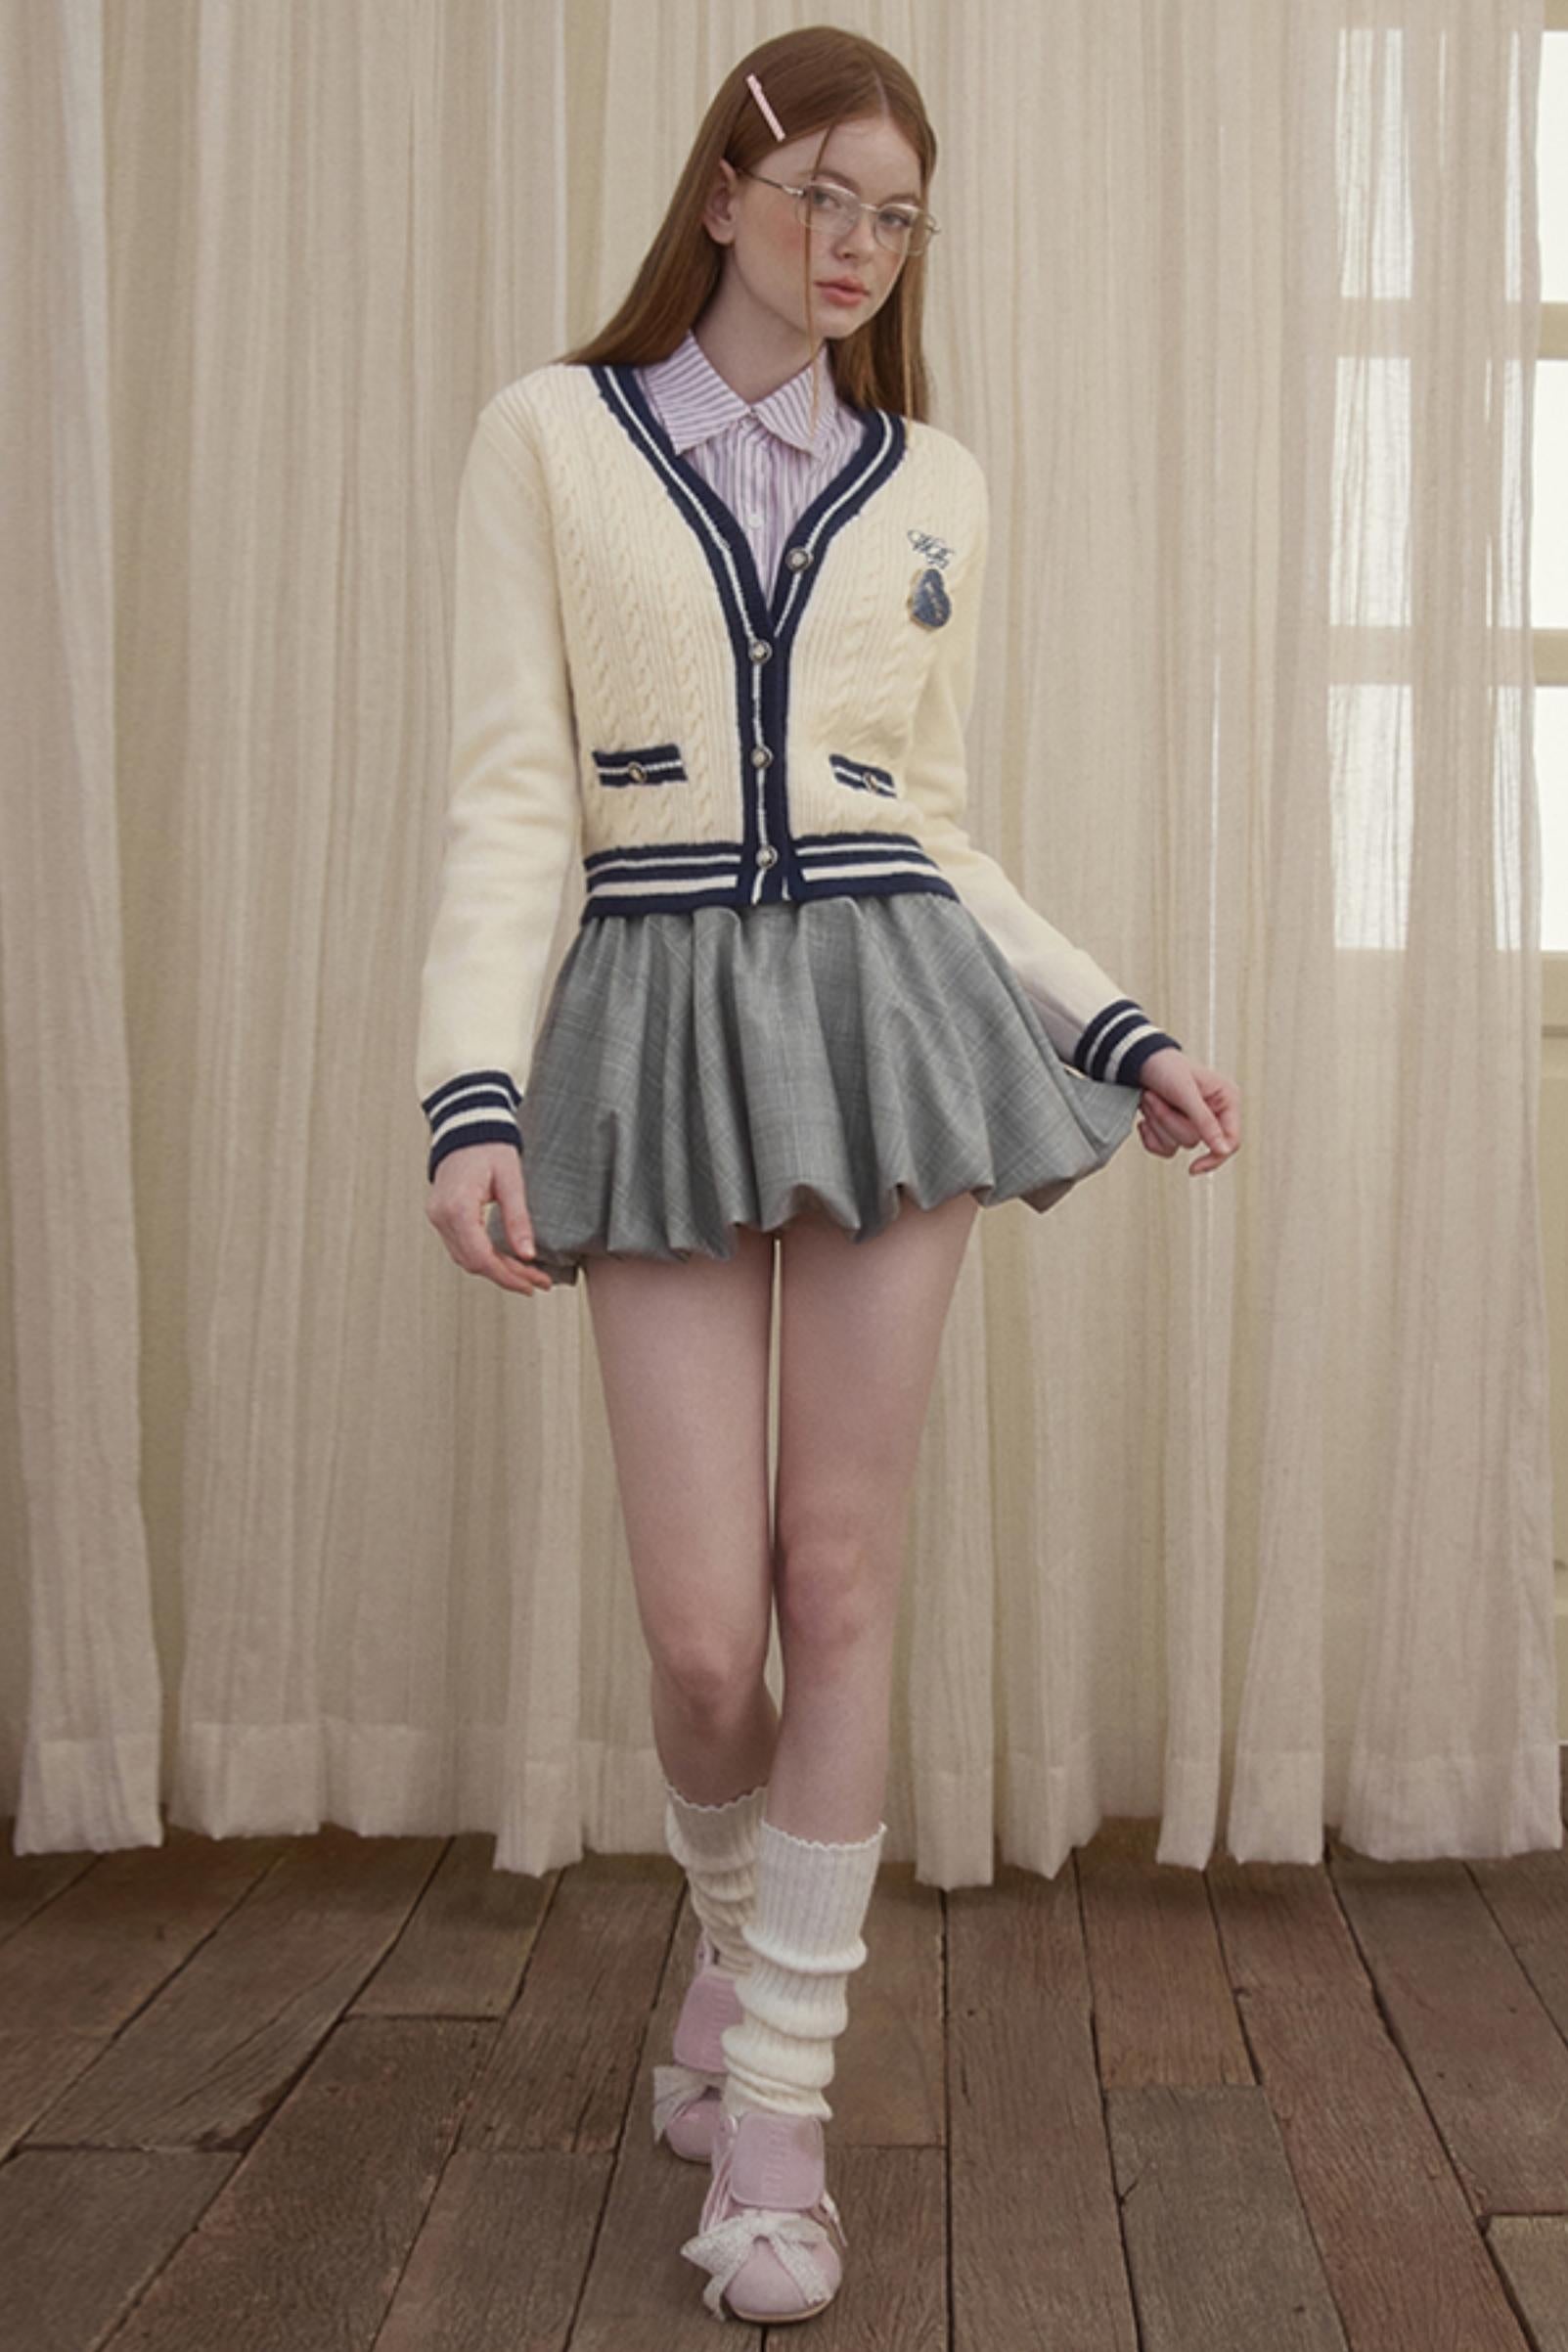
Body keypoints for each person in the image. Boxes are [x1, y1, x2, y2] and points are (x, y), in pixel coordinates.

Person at [416, 23, 1240, 2328]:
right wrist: (469, 1088)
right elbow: (513, 794)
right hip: (655, 1022)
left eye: (896, 215)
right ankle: (728, 1961)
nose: (859, 246)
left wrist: (1115, 1022)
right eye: (822, 199)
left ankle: (773, 2106)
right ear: (723, 191)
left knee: (838, 1570)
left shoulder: (934, 479)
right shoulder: (550, 437)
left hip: (892, 1018)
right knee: (704, 1639)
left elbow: (929, 823)